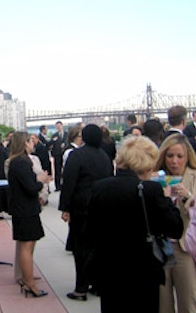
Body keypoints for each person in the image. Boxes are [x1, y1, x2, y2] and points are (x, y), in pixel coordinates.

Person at [86, 136, 184, 313]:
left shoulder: (99, 187)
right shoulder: (150, 189)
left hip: (109, 269)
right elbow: (175, 228)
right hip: (143, 270)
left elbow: (89, 230)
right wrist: (168, 200)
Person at [58, 124, 113, 301]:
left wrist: (65, 208)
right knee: (98, 247)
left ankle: (81, 288)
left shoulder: (77, 155)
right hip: (101, 205)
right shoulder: (104, 156)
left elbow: (69, 182)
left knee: (80, 247)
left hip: (81, 206)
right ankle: (97, 285)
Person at [154, 133, 196, 313]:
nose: (174, 161)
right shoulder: (156, 179)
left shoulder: (195, 178)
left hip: (185, 248)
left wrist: (189, 198)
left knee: (189, 301)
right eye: (170, 156)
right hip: (161, 248)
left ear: (188, 157)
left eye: (180, 156)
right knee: (162, 304)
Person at [7, 131, 50, 297]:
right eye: (30, 141)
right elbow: (31, 187)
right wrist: (41, 180)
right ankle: (29, 283)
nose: (33, 143)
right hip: (25, 210)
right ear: (24, 143)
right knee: (27, 246)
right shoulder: (21, 162)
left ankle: (28, 278)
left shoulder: (19, 162)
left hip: (24, 209)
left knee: (28, 245)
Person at [50, 121, 67, 191]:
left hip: (65, 154)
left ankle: (65, 184)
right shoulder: (54, 135)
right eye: (57, 127)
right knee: (57, 171)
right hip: (57, 155)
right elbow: (51, 145)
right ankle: (57, 186)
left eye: (59, 126)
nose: (58, 127)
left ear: (62, 126)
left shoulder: (67, 134)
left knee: (66, 169)